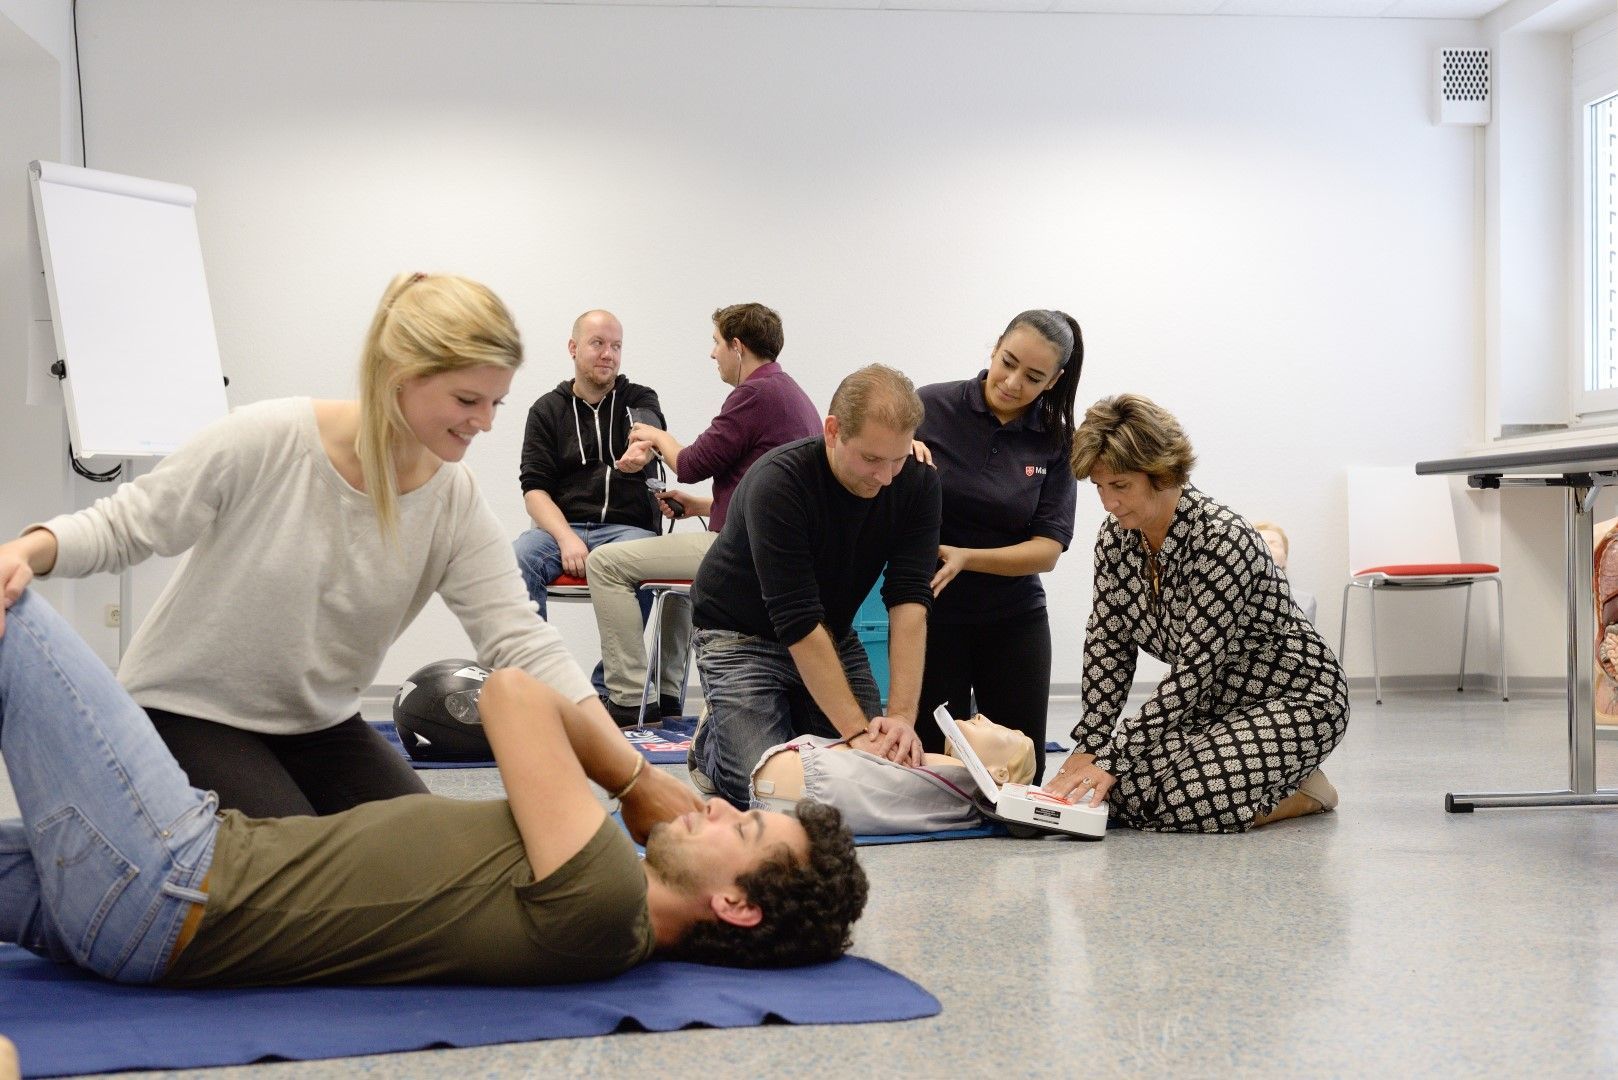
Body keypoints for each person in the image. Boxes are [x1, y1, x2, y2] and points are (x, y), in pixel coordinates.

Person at [0, 273, 701, 825]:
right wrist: (27, 551)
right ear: (402, 374)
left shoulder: (451, 499)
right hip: (188, 713)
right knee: (309, 870)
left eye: (497, 403)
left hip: (319, 724)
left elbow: (523, 642)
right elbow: (129, 525)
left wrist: (634, 778)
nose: (485, 423)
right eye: (467, 399)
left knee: (422, 859)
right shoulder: (267, 439)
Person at [0, 590, 867, 986]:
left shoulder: (608, 897)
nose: (716, 804)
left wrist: (635, 780)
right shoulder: (606, 925)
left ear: (736, 906)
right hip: (139, 919)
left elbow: (510, 693)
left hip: (172, 875)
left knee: (14, 608)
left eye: (743, 831)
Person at [1043, 393, 1347, 832]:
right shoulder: (1116, 540)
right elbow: (1108, 645)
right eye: (1100, 488)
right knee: (1118, 792)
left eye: (1121, 486)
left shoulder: (1221, 540)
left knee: (1189, 801)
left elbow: (1193, 672)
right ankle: (1255, 776)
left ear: (1161, 474)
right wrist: (1090, 746)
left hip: (1297, 699)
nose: (1108, 503)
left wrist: (1112, 755)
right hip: (1212, 708)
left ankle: (1308, 790)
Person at [688, 364, 942, 809]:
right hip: (739, 634)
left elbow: (909, 599)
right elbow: (797, 620)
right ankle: (711, 750)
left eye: (897, 459)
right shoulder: (780, 482)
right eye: (870, 459)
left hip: (831, 633)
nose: (884, 477)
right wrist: (858, 733)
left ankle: (775, 727)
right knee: (767, 792)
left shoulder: (918, 483)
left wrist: (901, 716)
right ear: (832, 431)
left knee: (870, 774)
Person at [587, 303, 822, 726]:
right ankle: (665, 696)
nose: (712, 354)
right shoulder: (792, 395)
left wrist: (656, 436)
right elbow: (768, 492)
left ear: (737, 346)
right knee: (678, 583)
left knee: (603, 563)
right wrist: (701, 505)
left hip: (739, 551)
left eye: (716, 343)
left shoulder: (752, 394)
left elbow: (693, 463)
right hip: (767, 545)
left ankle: (624, 698)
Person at [913, 310, 1083, 783]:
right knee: (932, 770)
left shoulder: (1056, 441)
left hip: (1013, 619)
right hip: (933, 613)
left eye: (1033, 378)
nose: (1011, 383)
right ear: (994, 348)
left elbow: (1047, 550)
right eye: (1007, 362)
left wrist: (969, 558)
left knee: (1020, 775)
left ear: (1055, 381)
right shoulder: (929, 408)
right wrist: (899, 454)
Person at [512, 310, 664, 618]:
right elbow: (534, 492)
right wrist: (566, 539)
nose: (609, 354)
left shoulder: (638, 397)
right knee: (518, 558)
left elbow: (646, 430)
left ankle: (613, 670)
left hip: (627, 532)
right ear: (573, 348)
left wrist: (643, 450)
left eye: (616, 346)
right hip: (562, 530)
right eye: (598, 343)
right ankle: (531, 666)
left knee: (646, 560)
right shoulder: (546, 410)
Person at [750, 713, 1036, 836]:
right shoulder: (952, 773)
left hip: (804, 785)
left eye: (1003, 732)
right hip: (795, 778)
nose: (983, 718)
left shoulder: (965, 782)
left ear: (998, 773)